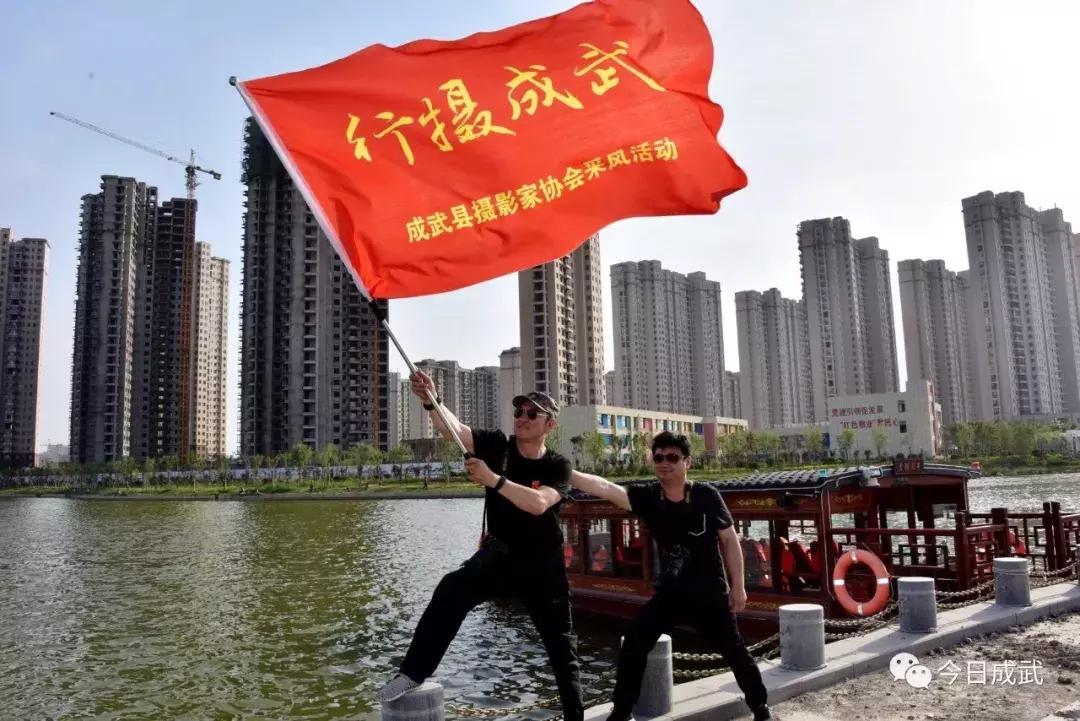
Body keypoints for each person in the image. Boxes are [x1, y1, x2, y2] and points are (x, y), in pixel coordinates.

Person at [378, 371, 584, 721]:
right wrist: (431, 400)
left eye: (532, 414)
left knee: (562, 649)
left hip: (543, 567)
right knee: (451, 589)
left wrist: (492, 479)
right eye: (519, 412)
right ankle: (413, 672)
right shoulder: (497, 446)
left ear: (549, 425)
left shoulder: (557, 465)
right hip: (499, 558)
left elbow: (537, 503)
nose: (522, 418)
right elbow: (454, 430)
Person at [570, 431, 772, 721]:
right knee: (634, 643)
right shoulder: (649, 496)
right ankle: (621, 712)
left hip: (709, 593)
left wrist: (738, 587)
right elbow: (605, 487)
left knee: (735, 651)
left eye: (673, 457)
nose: (664, 463)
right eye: (659, 457)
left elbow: (729, 541)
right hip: (670, 593)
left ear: (687, 462)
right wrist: (564, 471)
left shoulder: (706, 496)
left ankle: (761, 708)